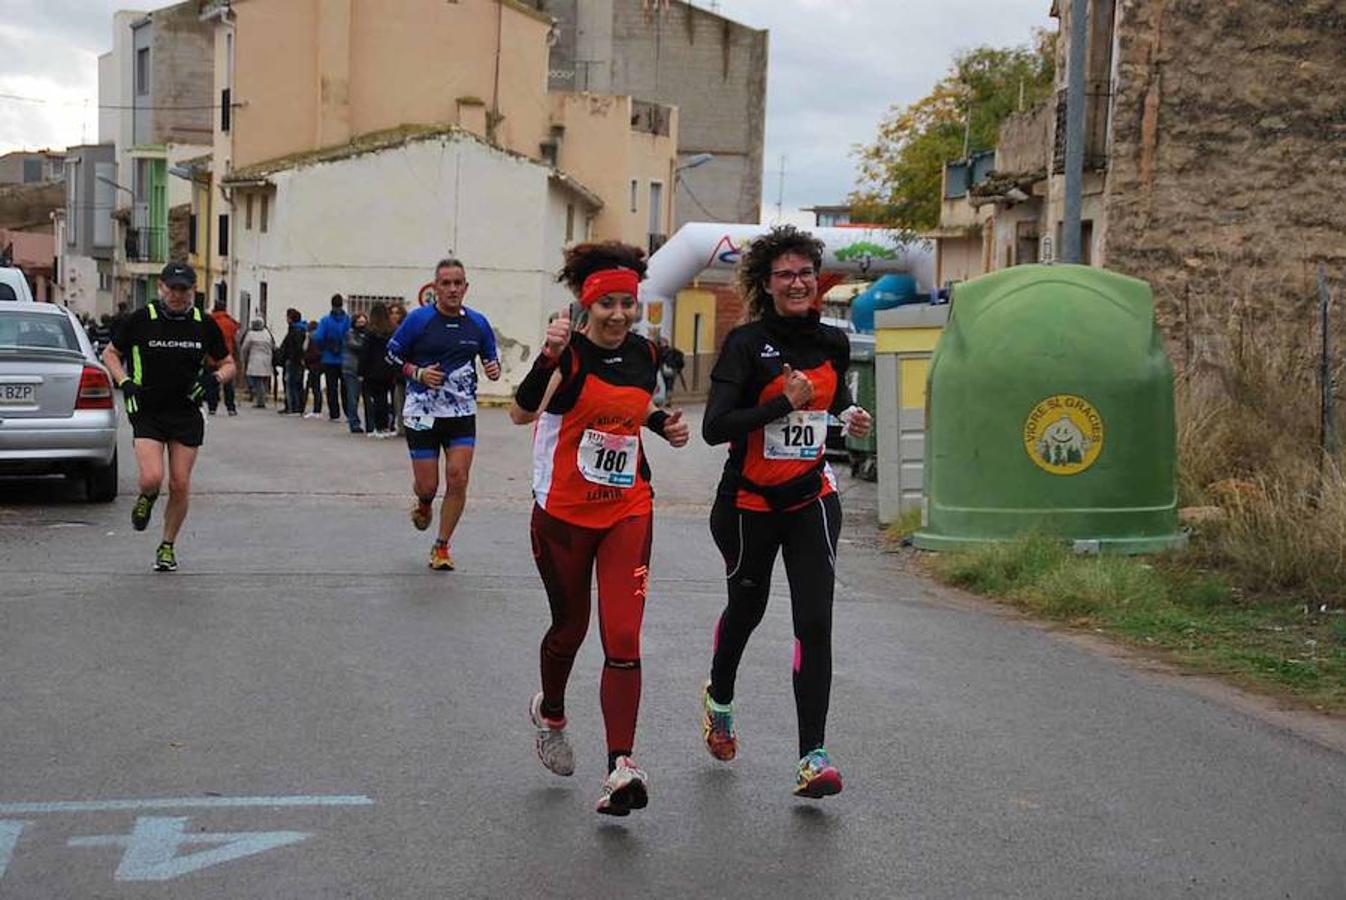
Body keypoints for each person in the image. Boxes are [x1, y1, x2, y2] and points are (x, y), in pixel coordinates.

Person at [510, 241, 690, 816]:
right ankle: (552, 714)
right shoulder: (569, 354)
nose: (618, 314)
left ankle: (621, 765)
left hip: (627, 509)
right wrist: (547, 357)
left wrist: (661, 424)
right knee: (570, 628)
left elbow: (632, 406)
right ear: (587, 305)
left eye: (627, 304)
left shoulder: (644, 353)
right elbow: (520, 412)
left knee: (624, 636)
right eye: (607, 304)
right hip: (563, 514)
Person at [697, 225, 872, 800]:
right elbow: (715, 427)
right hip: (747, 504)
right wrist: (780, 402)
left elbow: (833, 399)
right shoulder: (746, 344)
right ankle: (720, 697)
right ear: (766, 284)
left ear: (816, 281)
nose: (797, 283)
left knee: (815, 622)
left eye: (805, 274)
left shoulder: (833, 342)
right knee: (746, 610)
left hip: (810, 499)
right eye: (785, 275)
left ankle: (812, 756)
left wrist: (849, 415)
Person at [102, 262, 233, 572]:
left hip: (186, 412)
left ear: (193, 291)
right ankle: (147, 498)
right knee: (152, 478)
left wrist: (213, 379)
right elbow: (110, 354)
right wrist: (125, 382)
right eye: (172, 288)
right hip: (148, 410)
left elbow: (228, 364)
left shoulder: (203, 324)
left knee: (179, 484)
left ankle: (167, 546)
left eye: (183, 290)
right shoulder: (141, 319)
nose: (177, 295)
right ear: (161, 287)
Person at [386, 258, 501, 570]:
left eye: (457, 283)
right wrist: (418, 373)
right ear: (435, 288)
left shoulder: (478, 323)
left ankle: (442, 546)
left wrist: (493, 368)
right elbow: (391, 355)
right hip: (422, 411)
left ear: (466, 287)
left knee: (458, 477)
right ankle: (424, 502)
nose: (452, 289)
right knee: (428, 486)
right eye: (446, 283)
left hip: (461, 412)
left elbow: (491, 357)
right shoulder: (419, 320)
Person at [359, 302, 398, 438]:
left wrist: (361, 371)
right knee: (388, 398)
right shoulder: (392, 330)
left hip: (373, 370)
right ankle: (389, 425)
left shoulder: (370, 331)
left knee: (377, 399)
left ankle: (380, 426)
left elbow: (365, 353)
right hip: (389, 368)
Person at [313, 294, 351, 423]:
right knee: (346, 388)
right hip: (345, 358)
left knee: (332, 388)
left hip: (329, 359)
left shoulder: (325, 321)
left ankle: (334, 414)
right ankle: (349, 413)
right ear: (342, 304)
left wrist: (324, 347)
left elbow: (318, 337)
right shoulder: (348, 320)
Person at [205, 297, 241, 416]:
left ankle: (212, 407)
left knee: (213, 382)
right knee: (228, 384)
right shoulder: (230, 323)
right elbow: (235, 340)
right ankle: (231, 407)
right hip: (226, 357)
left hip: (211, 357)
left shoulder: (209, 321)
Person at [238, 317, 276, 408]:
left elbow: (244, 347)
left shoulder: (251, 334)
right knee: (261, 380)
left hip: (255, 360)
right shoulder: (267, 333)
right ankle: (261, 398)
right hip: (267, 359)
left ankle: (260, 401)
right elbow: (273, 346)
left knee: (257, 380)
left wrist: (242, 357)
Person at [276, 308, 308, 414]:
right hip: (298, 362)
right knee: (298, 384)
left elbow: (294, 347)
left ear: (290, 318)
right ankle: (297, 406)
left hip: (293, 361)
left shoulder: (295, 330)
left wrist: (289, 357)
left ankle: (293, 406)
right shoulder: (302, 329)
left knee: (291, 384)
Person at [341, 311, 368, 433]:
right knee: (353, 397)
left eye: (363, 322)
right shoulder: (350, 334)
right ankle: (354, 423)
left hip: (364, 369)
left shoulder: (366, 335)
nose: (362, 325)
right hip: (351, 368)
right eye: (359, 322)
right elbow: (355, 345)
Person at [388, 303, 408, 436]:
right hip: (390, 371)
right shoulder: (386, 330)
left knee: (403, 401)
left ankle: (406, 427)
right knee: (397, 401)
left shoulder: (405, 330)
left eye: (397, 313)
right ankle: (398, 426)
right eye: (392, 313)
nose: (394, 316)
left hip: (403, 371)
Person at [303, 320, 324, 418]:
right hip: (319, 365)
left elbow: (311, 352)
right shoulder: (320, 338)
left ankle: (316, 409)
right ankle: (316, 408)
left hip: (313, 365)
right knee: (316, 387)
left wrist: (306, 359)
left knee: (315, 387)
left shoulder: (312, 338)